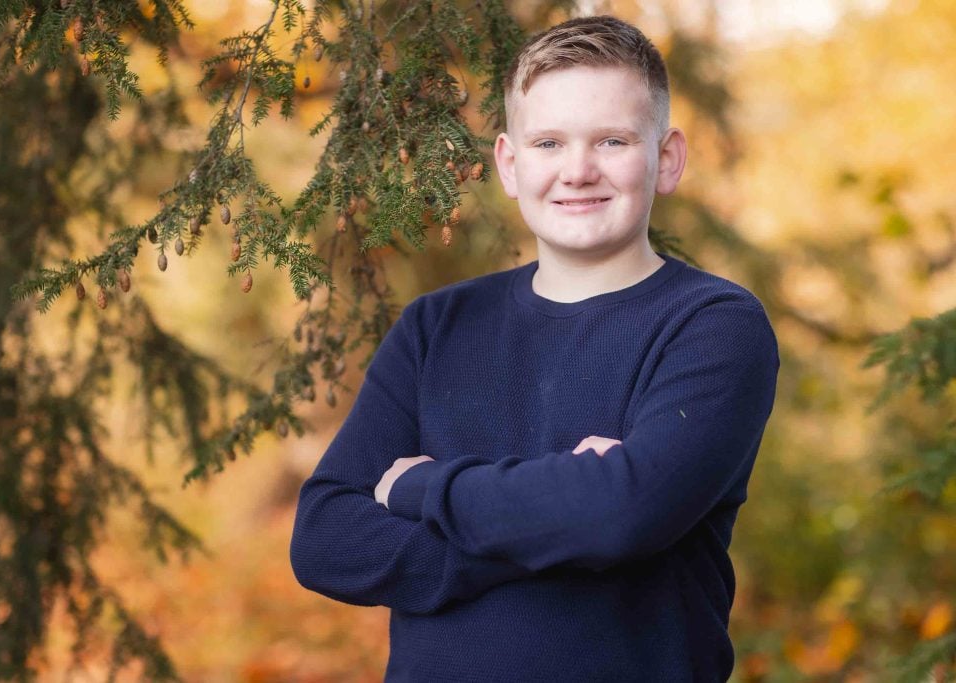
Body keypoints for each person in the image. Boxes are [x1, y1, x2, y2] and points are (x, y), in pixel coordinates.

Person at [290, 14, 778, 682]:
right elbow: (324, 538)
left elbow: (620, 512)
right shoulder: (436, 326)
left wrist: (420, 484)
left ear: (666, 159)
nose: (578, 170)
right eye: (549, 142)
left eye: (611, 140)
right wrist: (563, 521)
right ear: (510, 165)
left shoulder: (714, 326)